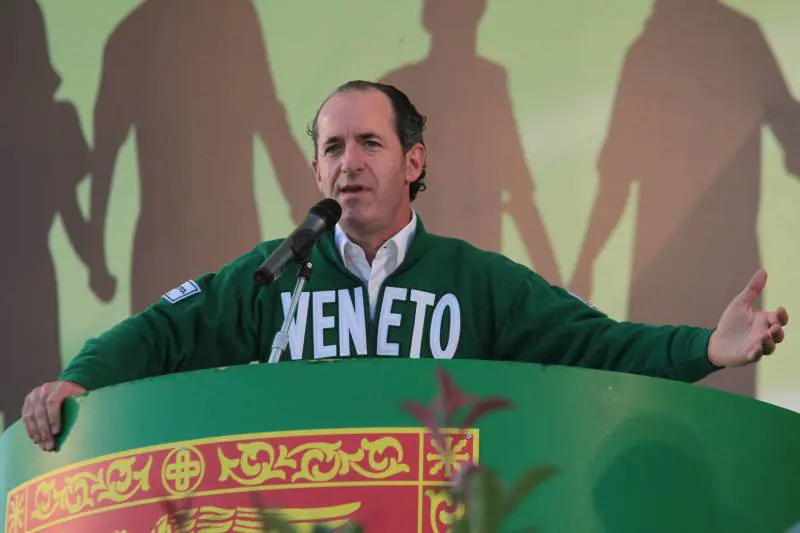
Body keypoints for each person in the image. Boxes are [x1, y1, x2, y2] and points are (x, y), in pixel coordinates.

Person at [22, 80, 789, 452]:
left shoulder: (476, 280)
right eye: (332, 147)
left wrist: (707, 346)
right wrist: (79, 378)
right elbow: (163, 330)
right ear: (315, 170)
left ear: (413, 161)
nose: (348, 162)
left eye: (370, 143)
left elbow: (596, 344)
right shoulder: (274, 272)